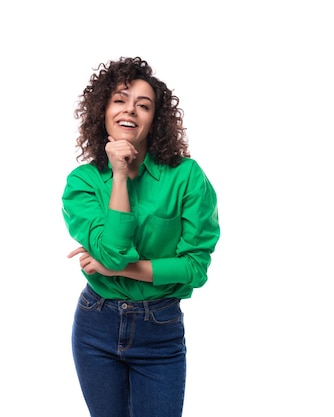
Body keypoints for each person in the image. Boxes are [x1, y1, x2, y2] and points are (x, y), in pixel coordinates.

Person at [62, 56, 220, 417]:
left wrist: (116, 269)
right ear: (102, 111)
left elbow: (195, 268)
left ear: (155, 120)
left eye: (143, 105)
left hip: (159, 330)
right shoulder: (83, 183)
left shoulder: (187, 177)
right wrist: (119, 175)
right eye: (119, 100)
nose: (130, 110)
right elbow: (115, 253)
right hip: (95, 326)